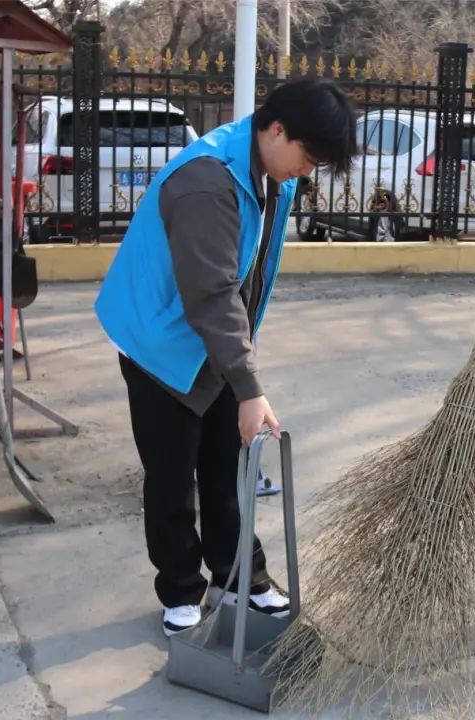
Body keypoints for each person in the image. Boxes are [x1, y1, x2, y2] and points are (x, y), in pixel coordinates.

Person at [95, 79, 357, 637]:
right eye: (309, 156)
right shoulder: (205, 182)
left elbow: (244, 277)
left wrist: (241, 370)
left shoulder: (271, 175)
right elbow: (211, 293)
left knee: (228, 469)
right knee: (172, 477)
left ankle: (239, 577)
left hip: (211, 338)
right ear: (277, 129)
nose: (308, 170)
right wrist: (248, 385)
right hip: (157, 341)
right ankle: (180, 591)